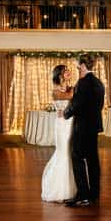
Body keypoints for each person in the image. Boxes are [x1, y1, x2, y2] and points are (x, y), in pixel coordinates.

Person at [62, 54, 105, 207]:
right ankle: (94, 194)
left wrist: (65, 113)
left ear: (84, 66)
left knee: (77, 157)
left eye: (79, 66)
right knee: (93, 160)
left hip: (82, 127)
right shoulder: (99, 83)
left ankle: (82, 195)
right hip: (93, 128)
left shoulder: (83, 83)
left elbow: (77, 104)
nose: (77, 69)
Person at [41, 64, 76, 203]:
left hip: (71, 123)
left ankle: (71, 188)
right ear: (59, 75)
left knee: (70, 153)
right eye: (65, 71)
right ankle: (58, 190)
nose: (68, 72)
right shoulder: (55, 91)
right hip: (61, 125)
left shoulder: (70, 87)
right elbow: (70, 95)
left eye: (68, 70)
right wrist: (73, 88)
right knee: (63, 153)